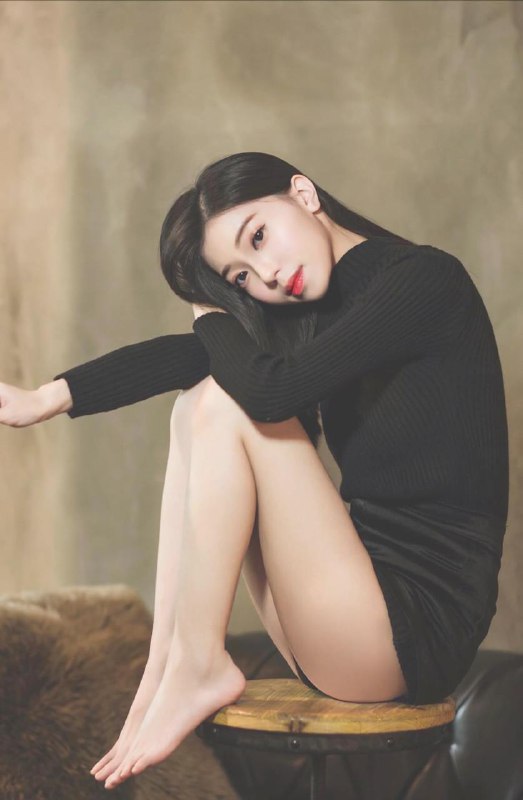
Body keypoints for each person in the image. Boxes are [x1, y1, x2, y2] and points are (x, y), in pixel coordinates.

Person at [0, 151, 509, 790]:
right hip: (345, 621)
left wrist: (215, 316)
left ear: (304, 193)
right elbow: (193, 360)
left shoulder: (425, 280)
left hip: (413, 635)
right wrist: (45, 397)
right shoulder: (311, 316)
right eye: (240, 276)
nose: (265, 275)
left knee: (224, 401)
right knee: (198, 402)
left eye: (259, 237)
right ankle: (167, 662)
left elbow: (267, 391)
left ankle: (196, 663)